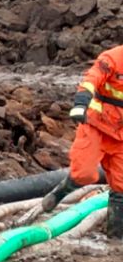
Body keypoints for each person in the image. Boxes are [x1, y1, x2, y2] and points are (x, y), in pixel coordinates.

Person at [40, 45, 123, 238]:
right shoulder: (112, 58)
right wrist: (80, 104)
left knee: (121, 187)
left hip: (121, 136)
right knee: (84, 174)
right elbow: (90, 80)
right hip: (96, 126)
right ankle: (60, 192)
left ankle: (116, 240)